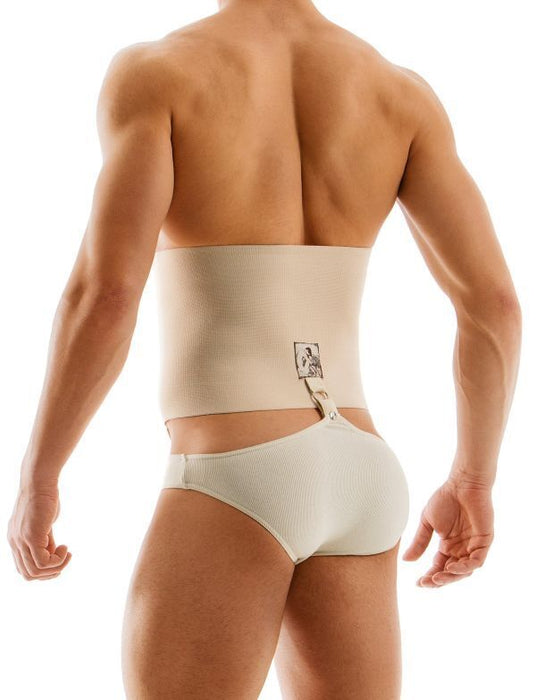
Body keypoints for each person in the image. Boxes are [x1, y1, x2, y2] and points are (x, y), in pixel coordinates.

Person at [7, 0, 522, 698]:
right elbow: (493, 306)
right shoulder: (398, 91)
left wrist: (40, 477)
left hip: (237, 469)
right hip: (363, 473)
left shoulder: (159, 74)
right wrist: (473, 480)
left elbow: (106, 296)